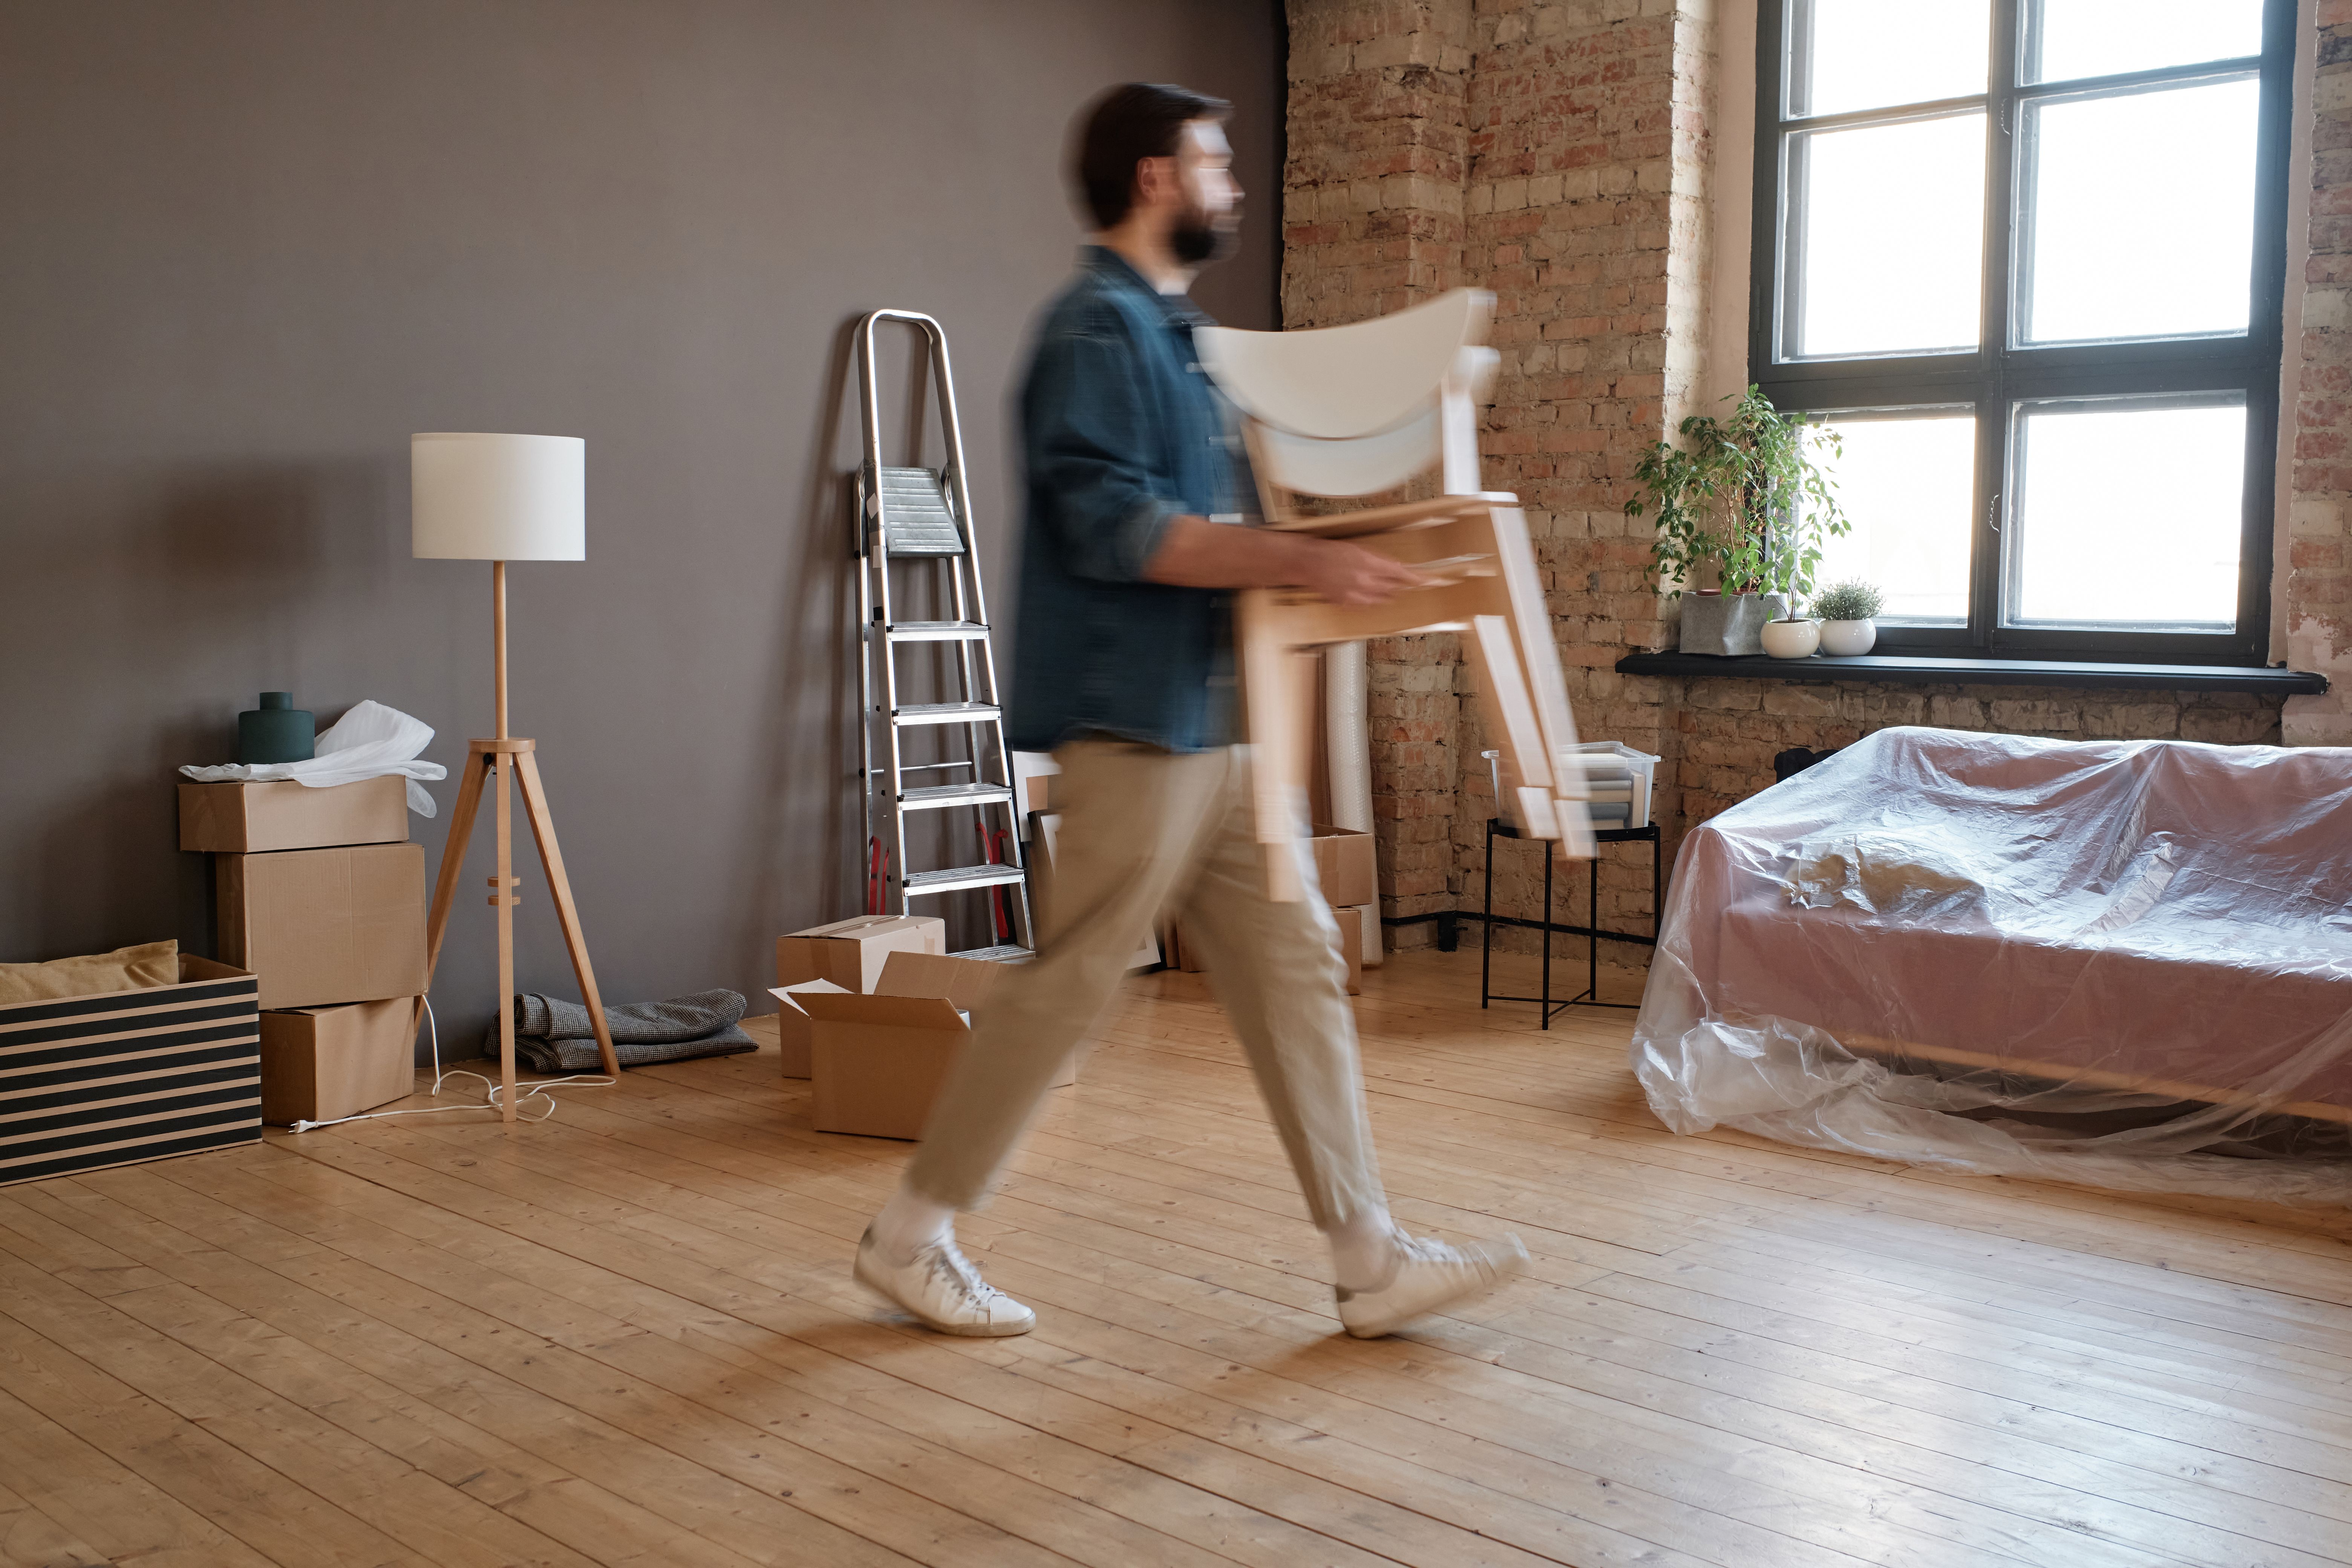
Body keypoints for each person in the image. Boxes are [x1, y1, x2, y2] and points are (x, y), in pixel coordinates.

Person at [854, 82, 1527, 1340]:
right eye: (1215, 162)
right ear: (1156, 178)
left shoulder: (1176, 337)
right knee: (1075, 980)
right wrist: (1303, 559)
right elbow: (1122, 530)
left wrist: (1318, 564)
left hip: (1209, 728)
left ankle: (1368, 1259)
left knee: (1296, 965)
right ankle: (908, 1239)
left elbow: (1214, 530)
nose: (1232, 183)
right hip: (1133, 724)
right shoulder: (1095, 332)